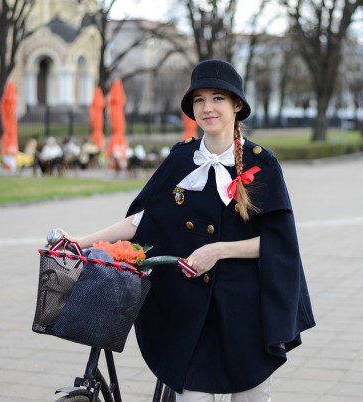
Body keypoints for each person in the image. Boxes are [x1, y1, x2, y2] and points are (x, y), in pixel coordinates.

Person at [58, 59, 315, 401]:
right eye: (199, 99)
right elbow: (142, 219)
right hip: (190, 310)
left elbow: (278, 242)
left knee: (251, 395)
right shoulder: (181, 158)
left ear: (237, 105)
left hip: (245, 309)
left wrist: (218, 250)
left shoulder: (261, 163)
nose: (207, 108)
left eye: (218, 98)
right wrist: (82, 240)